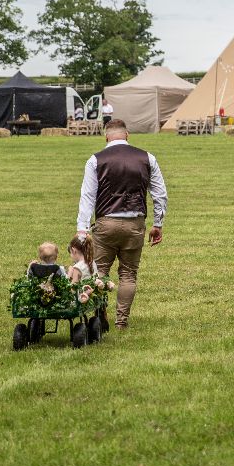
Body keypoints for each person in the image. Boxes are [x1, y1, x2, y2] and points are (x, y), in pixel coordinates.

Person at [75, 118, 166, 330]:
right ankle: (121, 321)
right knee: (128, 274)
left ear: (106, 137)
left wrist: (82, 229)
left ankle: (100, 315)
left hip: (106, 223)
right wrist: (158, 224)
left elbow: (87, 197)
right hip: (135, 224)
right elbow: (160, 194)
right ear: (127, 135)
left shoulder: (95, 160)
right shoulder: (147, 158)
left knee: (99, 274)